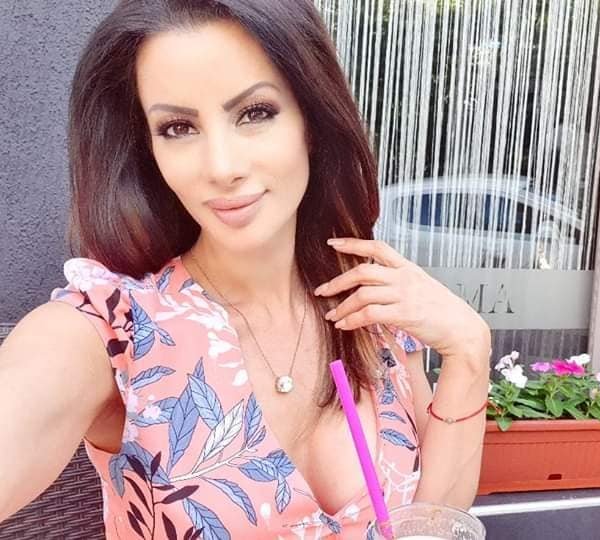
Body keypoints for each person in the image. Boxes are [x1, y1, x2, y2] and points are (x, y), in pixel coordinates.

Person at [0, 1, 491, 537]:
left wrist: (469, 351)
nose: (223, 167)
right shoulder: (111, 330)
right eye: (178, 127)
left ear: (312, 120)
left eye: (255, 113)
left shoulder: (373, 306)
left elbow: (433, 521)